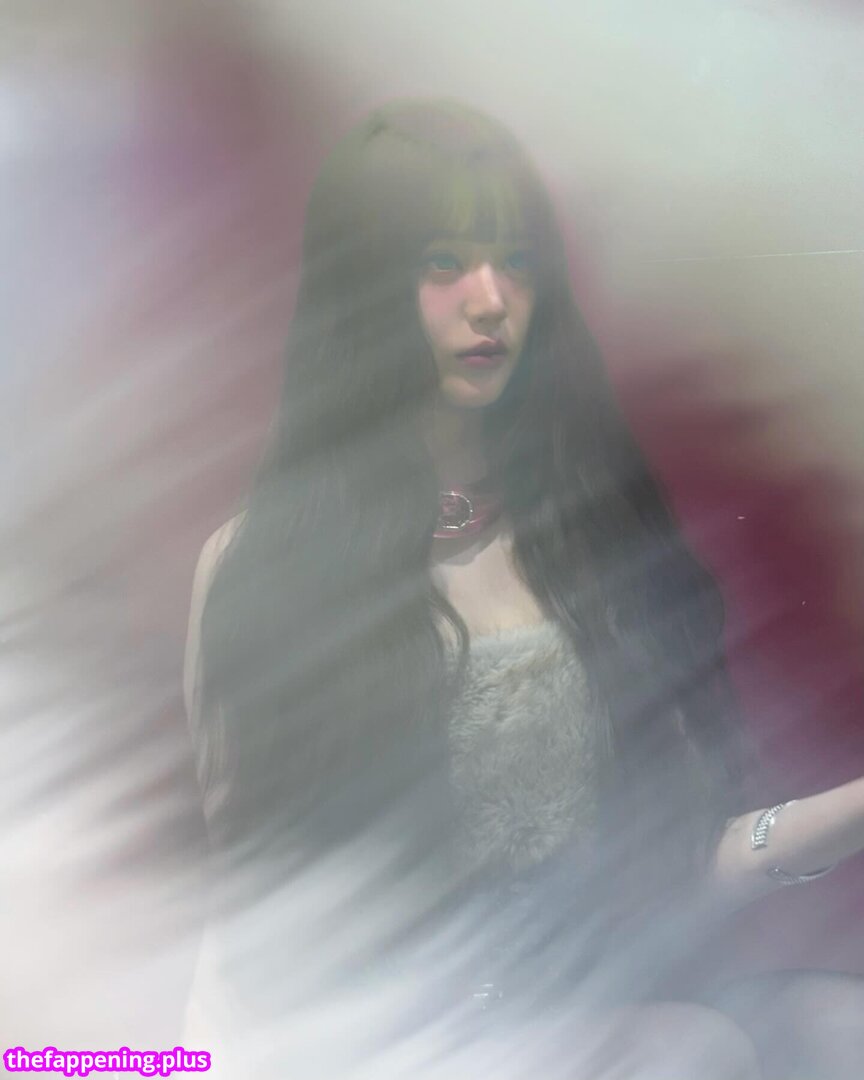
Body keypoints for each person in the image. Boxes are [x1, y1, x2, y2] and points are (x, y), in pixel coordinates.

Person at [183, 97, 864, 1078]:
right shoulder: (267, 567)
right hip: (377, 1033)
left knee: (834, 1027)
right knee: (695, 1052)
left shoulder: (592, 536)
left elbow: (670, 860)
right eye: (443, 264)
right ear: (364, 287)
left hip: (586, 992)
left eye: (516, 262)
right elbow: (266, 921)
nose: (491, 299)